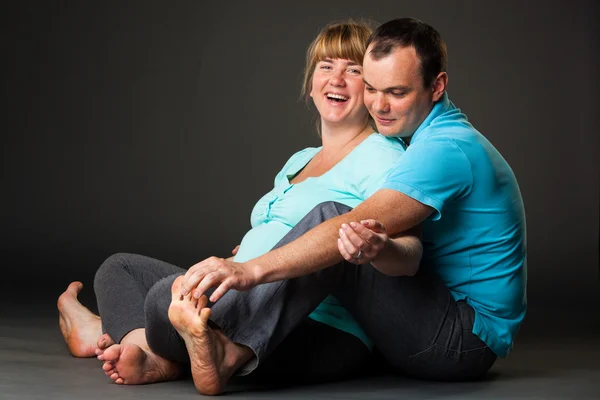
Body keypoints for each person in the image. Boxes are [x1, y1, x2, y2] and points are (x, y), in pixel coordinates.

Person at [164, 17, 527, 395]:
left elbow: (353, 221)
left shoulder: (444, 148)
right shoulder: (424, 137)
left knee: (340, 221)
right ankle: (191, 343)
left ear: (437, 86)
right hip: (427, 313)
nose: (380, 106)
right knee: (347, 235)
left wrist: (249, 270)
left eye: (397, 93)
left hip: (460, 342)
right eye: (371, 88)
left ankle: (228, 349)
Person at [57, 20, 409, 389]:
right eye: (326, 66)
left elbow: (382, 240)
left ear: (371, 89)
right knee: (121, 268)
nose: (336, 79)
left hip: (319, 326)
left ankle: (137, 343)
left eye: (353, 70)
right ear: (311, 84)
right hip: (238, 295)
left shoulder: (383, 157)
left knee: (166, 296)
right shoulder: (299, 160)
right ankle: (157, 353)